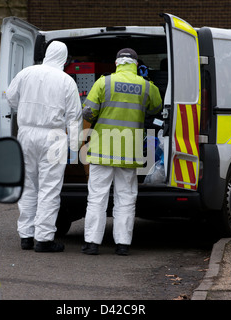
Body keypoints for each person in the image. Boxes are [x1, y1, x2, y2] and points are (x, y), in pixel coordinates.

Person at [81, 48, 162, 255]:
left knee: (97, 197)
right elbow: (157, 108)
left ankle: (92, 243)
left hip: (102, 150)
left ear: (117, 63)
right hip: (129, 151)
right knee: (125, 197)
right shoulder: (146, 87)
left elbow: (88, 112)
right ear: (135, 64)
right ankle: (123, 244)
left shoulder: (103, 82)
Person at [7, 41, 82, 252]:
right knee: (49, 188)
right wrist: (75, 147)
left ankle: (26, 235)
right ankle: (44, 239)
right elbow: (74, 116)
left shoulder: (26, 73)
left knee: (29, 185)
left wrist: (26, 108)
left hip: (26, 134)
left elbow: (11, 98)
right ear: (64, 59)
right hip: (53, 136)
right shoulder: (67, 81)